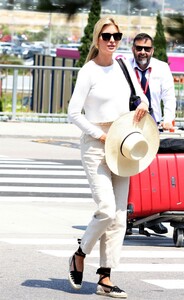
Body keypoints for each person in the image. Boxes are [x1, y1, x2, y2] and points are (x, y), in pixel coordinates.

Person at [67, 17, 149, 298]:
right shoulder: (88, 71)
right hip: (95, 144)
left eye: (116, 35)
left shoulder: (124, 66)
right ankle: (80, 253)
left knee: (118, 218)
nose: (112, 40)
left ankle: (105, 278)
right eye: (106, 36)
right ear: (97, 39)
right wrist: (100, 135)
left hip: (123, 143)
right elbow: (73, 113)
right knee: (105, 208)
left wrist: (144, 107)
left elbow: (141, 97)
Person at [128, 32, 176, 235]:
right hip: (130, 126)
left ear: (152, 50)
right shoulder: (125, 67)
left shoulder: (162, 68)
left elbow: (169, 97)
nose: (142, 52)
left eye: (146, 49)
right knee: (130, 168)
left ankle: (152, 213)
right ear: (133, 49)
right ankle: (129, 214)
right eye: (139, 48)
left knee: (154, 170)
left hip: (154, 126)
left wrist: (169, 119)